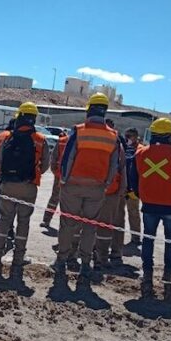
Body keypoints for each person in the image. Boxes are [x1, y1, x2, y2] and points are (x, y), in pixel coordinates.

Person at [51, 93, 119, 276]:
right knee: (90, 226)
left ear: (89, 109)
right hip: (97, 187)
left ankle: (62, 260)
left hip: (73, 184)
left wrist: (63, 180)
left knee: (67, 224)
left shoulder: (80, 130)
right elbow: (114, 165)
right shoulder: (113, 136)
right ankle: (86, 262)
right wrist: (105, 185)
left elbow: (68, 157)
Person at [132, 118, 171, 297]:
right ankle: (167, 275)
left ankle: (148, 274)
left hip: (149, 205)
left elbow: (134, 178)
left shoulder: (141, 153)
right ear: (170, 135)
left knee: (148, 240)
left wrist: (142, 195)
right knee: (170, 241)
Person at [0, 102, 50, 272]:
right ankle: (18, 258)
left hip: (8, 185)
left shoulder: (7, 136)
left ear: (19, 116)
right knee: (24, 222)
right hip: (29, 186)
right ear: (34, 118)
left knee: (4, 220)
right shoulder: (40, 140)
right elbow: (45, 165)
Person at [93, 118, 127, 270]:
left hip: (96, 189)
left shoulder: (92, 139)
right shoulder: (117, 143)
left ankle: (97, 254)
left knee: (96, 224)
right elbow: (122, 168)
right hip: (110, 190)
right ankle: (104, 256)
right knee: (108, 225)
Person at [40, 130, 68, 228]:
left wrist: (55, 172)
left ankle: (47, 220)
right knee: (67, 203)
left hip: (61, 175)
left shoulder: (62, 141)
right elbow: (54, 158)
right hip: (68, 178)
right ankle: (63, 226)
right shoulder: (65, 141)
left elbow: (53, 158)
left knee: (55, 199)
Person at [123, 127, 142, 246]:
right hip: (122, 186)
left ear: (135, 137)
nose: (127, 138)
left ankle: (135, 238)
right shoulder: (123, 148)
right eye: (126, 136)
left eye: (129, 136)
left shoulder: (140, 150)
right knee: (117, 213)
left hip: (133, 188)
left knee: (133, 212)